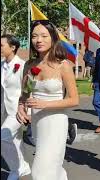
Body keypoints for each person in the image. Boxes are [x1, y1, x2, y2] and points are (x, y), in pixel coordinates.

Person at [16, 20, 79, 180]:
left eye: (44, 36)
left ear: (52, 38)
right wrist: (21, 107)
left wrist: (45, 104)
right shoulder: (30, 65)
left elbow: (74, 100)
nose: (39, 40)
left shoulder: (63, 66)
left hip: (56, 123)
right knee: (53, 170)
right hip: (37, 124)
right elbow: (25, 92)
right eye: (35, 36)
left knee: (39, 173)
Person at [1, 34, 31, 180]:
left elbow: (28, 90)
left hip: (18, 111)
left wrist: (28, 111)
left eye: (1, 45)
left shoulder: (22, 65)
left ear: (13, 47)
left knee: (3, 136)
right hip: (4, 111)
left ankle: (15, 169)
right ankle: (23, 166)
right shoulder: (1, 65)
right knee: (16, 140)